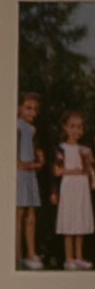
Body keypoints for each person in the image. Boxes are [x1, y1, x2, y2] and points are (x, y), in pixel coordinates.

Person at [53, 106, 94, 270]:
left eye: (79, 127)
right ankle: (69, 258)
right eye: (72, 126)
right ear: (66, 127)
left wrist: (88, 160)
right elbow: (57, 170)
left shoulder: (84, 149)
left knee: (80, 220)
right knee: (70, 220)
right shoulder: (61, 148)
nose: (76, 131)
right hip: (69, 186)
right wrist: (75, 171)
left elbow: (90, 168)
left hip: (81, 188)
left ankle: (79, 256)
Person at [17, 90, 46, 269]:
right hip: (20, 174)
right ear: (20, 108)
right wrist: (26, 165)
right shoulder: (17, 127)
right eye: (28, 108)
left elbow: (35, 151)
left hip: (30, 175)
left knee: (31, 215)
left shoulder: (32, 129)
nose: (32, 113)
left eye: (35, 109)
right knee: (19, 213)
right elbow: (16, 157)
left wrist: (39, 160)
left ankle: (30, 253)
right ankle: (16, 254)